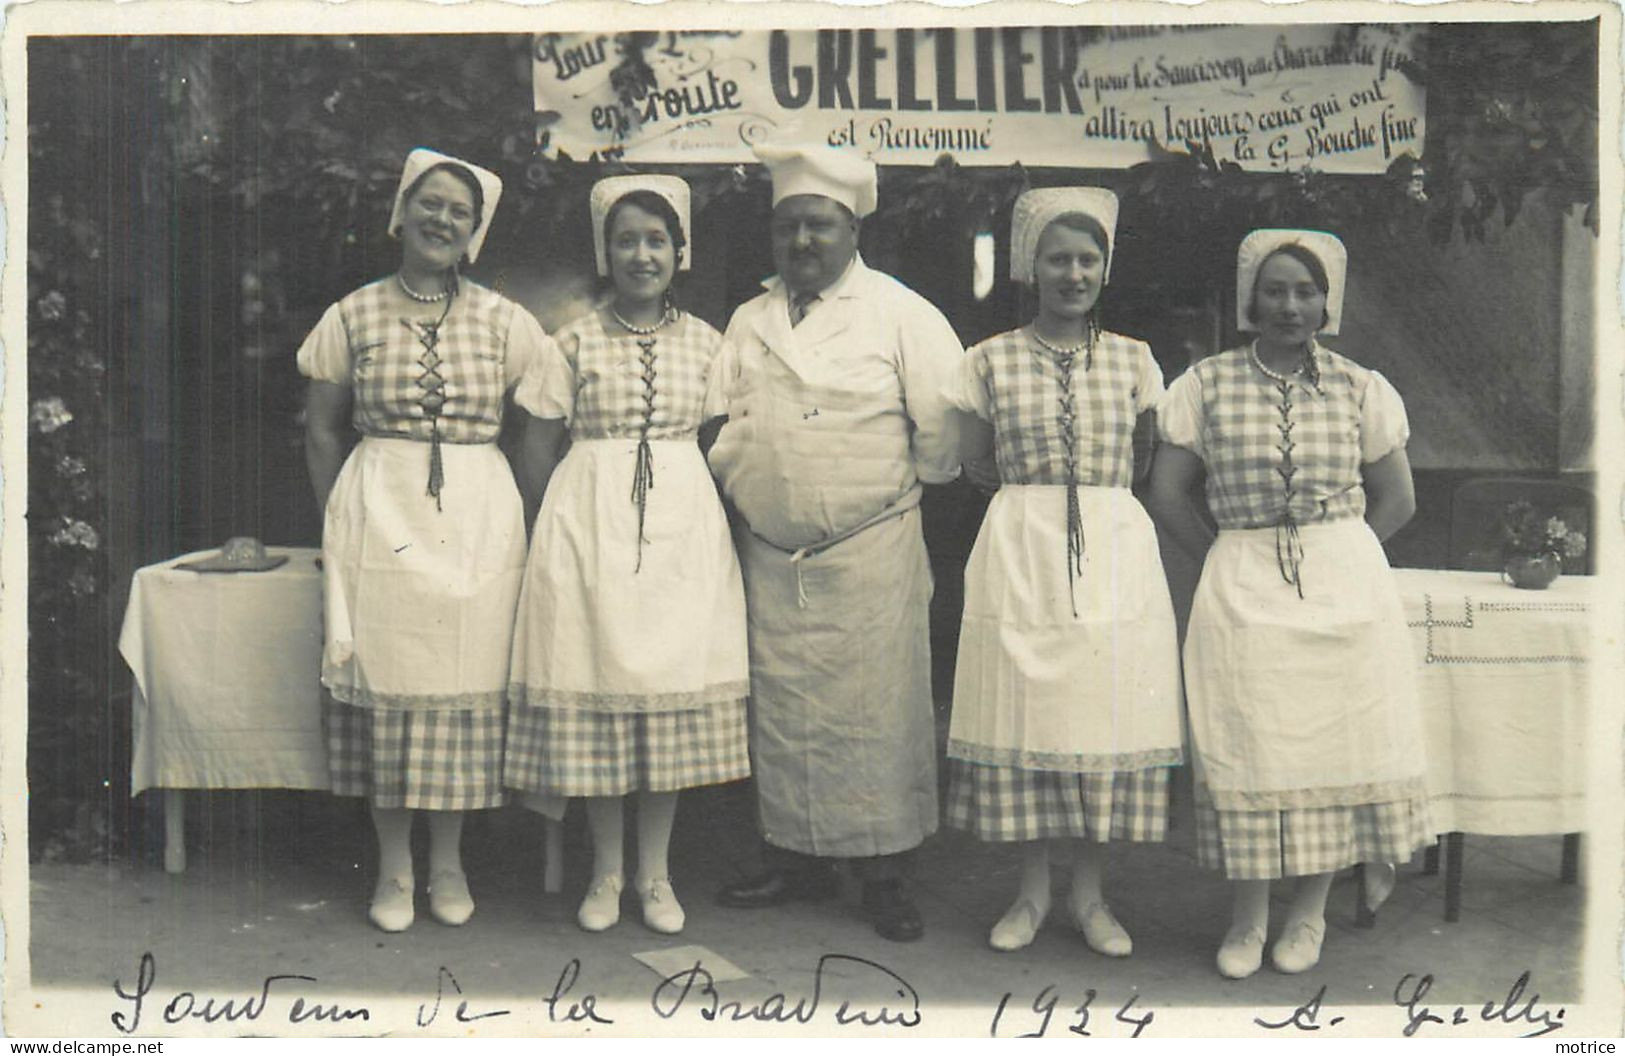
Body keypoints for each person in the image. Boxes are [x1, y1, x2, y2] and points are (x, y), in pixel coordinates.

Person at [1145, 229, 1429, 978]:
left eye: (1304, 292)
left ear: (1324, 303)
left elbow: (1397, 498)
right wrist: (1223, 555)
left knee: (1333, 746)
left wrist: (1341, 555)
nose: (1289, 305)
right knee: (1248, 743)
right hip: (1240, 581)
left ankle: (1307, 913)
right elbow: (1165, 492)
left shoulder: (1360, 386)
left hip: (1344, 588)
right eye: (1274, 290)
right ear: (1250, 301)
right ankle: (1248, 918)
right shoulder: (1202, 385)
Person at [707, 141, 963, 942]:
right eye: (788, 229)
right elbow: (717, 420)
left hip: (870, 554)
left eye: (818, 226)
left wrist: (865, 500)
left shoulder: (901, 313)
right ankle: (796, 858)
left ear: (853, 231)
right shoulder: (749, 320)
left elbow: (943, 434)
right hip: (773, 558)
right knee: (786, 717)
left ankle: (882, 875)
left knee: (876, 719)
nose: (802, 243)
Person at [299, 148, 554, 932]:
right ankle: (392, 871)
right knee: (390, 687)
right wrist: (336, 524)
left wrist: (535, 520)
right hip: (380, 512)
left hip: (478, 516)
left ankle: (447, 863)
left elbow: (540, 427)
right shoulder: (353, 314)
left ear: (475, 233)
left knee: (457, 690)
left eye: (460, 212)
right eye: (431, 204)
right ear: (401, 213)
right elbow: (319, 428)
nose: (442, 220)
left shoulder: (506, 322)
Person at [505, 175, 750, 935]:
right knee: (601, 688)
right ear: (604, 254)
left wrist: (695, 521)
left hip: (681, 533)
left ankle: (655, 874)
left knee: (663, 691)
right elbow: (535, 449)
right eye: (625, 241)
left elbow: (721, 446)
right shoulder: (570, 343)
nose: (641, 255)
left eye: (656, 240)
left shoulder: (710, 343)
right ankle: (605, 871)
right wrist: (569, 527)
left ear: (680, 252)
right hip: (589, 530)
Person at [943, 188, 1183, 955]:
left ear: (1104, 269)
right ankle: (1029, 894)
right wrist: (1038, 507)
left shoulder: (1134, 361)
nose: (1072, 273)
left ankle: (1089, 896)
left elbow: (1145, 458)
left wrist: (1090, 503)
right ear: (1029, 267)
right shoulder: (987, 361)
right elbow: (975, 459)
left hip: (1112, 544)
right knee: (1030, 712)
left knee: (1097, 715)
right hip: (1021, 542)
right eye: (1057, 258)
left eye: (1086, 259)